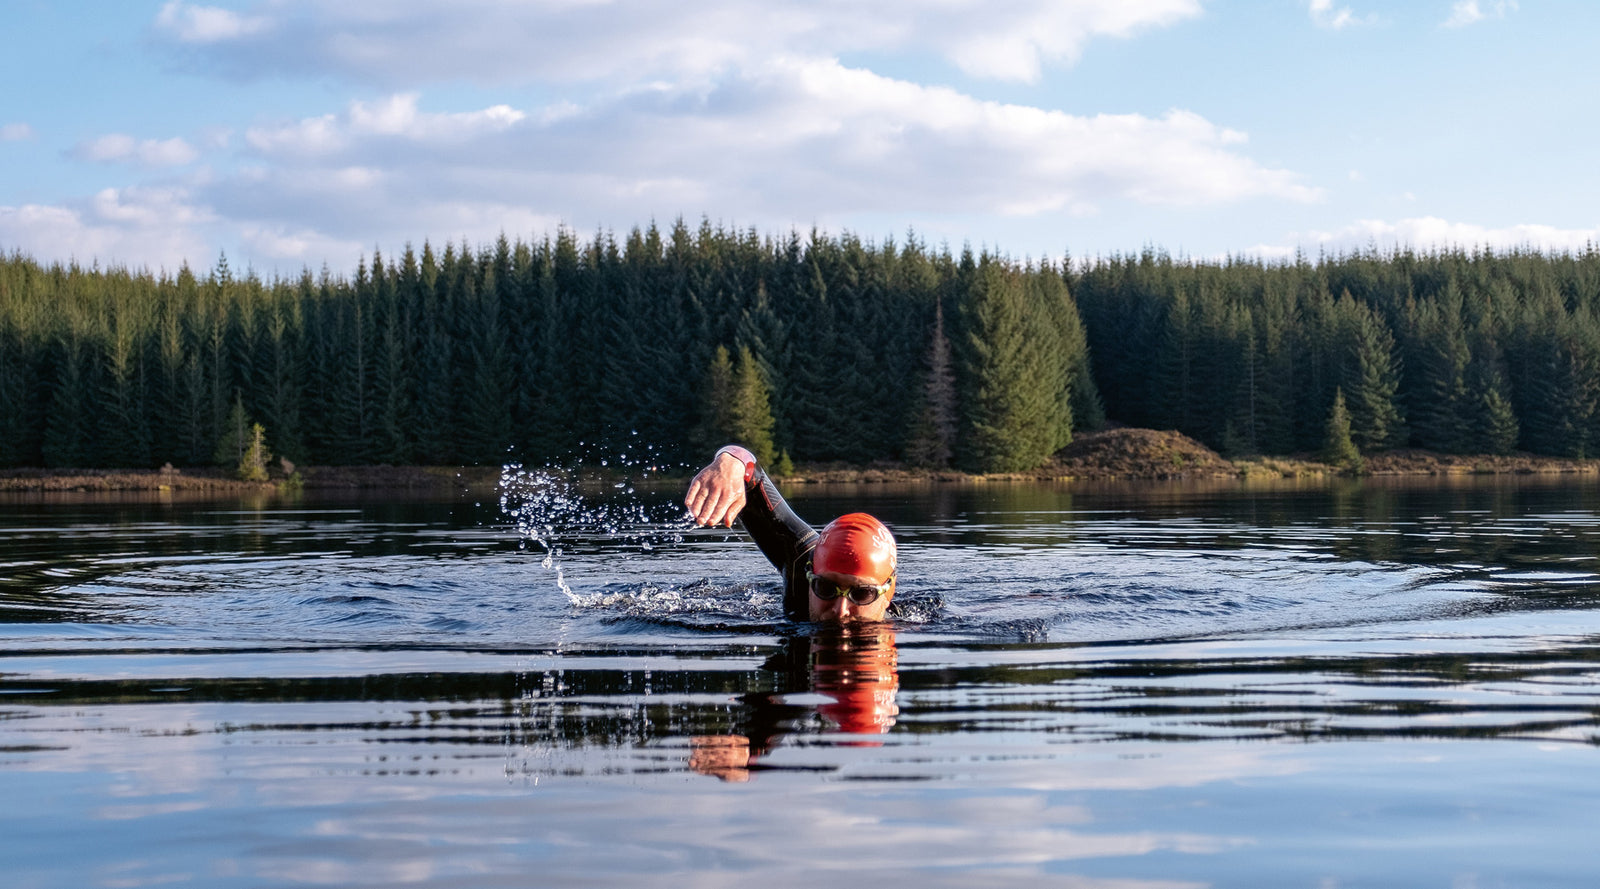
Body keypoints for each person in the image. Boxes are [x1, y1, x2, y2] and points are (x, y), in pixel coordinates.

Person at [684, 444, 897, 622]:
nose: (840, 611)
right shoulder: (802, 560)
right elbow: (749, 473)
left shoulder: (910, 628)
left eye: (861, 593)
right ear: (810, 575)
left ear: (887, 593)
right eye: (825, 588)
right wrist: (730, 463)